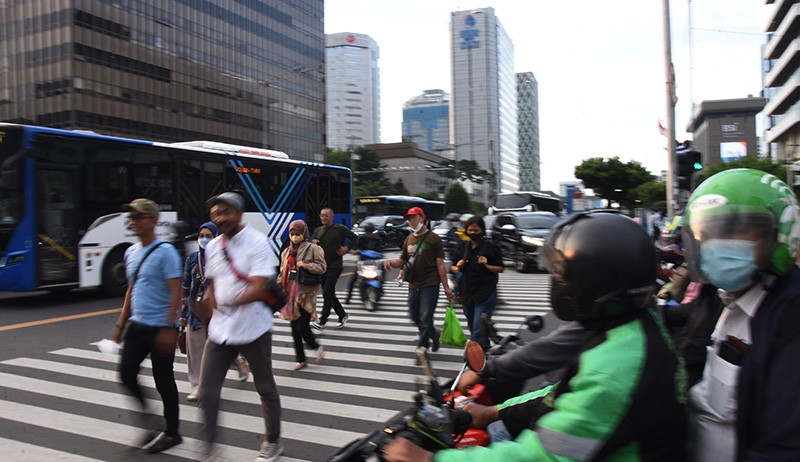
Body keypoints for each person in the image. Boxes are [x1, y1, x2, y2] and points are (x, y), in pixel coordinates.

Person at [385, 211, 687, 461]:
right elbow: (560, 394)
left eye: (562, 276)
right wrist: (493, 411)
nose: (556, 284)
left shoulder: (616, 366)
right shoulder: (630, 327)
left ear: (593, 284)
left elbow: (540, 457)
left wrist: (429, 459)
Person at [681, 168, 800, 461]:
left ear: (780, 234)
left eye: (733, 230)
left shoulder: (791, 317)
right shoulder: (718, 296)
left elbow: (784, 448)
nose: (715, 245)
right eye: (706, 234)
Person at [199, 192, 283, 462]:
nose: (220, 218)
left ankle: (272, 441)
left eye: (225, 212)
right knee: (207, 392)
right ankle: (209, 448)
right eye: (215, 214)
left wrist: (228, 299)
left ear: (239, 212)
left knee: (265, 388)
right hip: (220, 330)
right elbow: (212, 280)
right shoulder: (212, 246)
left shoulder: (258, 242)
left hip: (254, 328)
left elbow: (259, 287)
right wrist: (209, 298)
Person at [110, 198, 184, 453]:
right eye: (130, 217)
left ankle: (173, 433)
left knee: (163, 380)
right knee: (126, 375)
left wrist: (168, 327)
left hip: (161, 327)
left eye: (138, 217)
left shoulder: (166, 252)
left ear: (152, 221)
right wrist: (120, 324)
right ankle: (151, 423)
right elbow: (132, 288)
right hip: (137, 325)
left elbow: (176, 291)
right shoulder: (131, 252)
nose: (132, 222)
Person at [179, 222, 249, 402]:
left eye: (208, 236)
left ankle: (238, 361)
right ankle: (197, 385)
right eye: (201, 235)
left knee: (222, 343)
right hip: (195, 310)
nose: (203, 239)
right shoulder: (192, 259)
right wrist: (183, 313)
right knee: (195, 348)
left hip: (218, 310)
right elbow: (185, 287)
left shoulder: (223, 257)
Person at [384, 207, 453, 359]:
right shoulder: (409, 239)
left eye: (413, 217)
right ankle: (434, 335)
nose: (410, 221)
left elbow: (441, 265)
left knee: (426, 317)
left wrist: (446, 288)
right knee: (415, 316)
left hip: (430, 283)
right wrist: (392, 263)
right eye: (408, 218)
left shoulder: (434, 238)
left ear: (422, 218)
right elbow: (403, 260)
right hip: (413, 284)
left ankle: (422, 348)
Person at [450, 215, 504, 349]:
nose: (473, 233)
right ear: (466, 231)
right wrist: (457, 266)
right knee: (472, 324)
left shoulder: (492, 248)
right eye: (470, 230)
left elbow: (500, 268)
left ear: (483, 231)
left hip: (485, 292)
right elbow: (453, 267)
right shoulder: (462, 247)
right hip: (467, 292)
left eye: (476, 230)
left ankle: (472, 358)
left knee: (477, 329)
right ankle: (484, 349)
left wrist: (487, 265)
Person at [279, 219, 327, 371]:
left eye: (297, 234)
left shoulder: (313, 249)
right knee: (294, 329)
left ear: (304, 233)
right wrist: (278, 285)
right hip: (290, 294)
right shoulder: (286, 251)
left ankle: (316, 347)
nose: (294, 236)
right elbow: (282, 271)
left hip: (306, 293)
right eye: (292, 234)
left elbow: (322, 267)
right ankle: (301, 359)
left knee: (302, 327)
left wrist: (305, 265)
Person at [311, 207, 358, 330]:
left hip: (335, 266)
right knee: (329, 294)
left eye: (326, 215)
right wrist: (314, 244)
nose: (323, 218)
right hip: (322, 266)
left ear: (332, 217)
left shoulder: (340, 229)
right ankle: (342, 315)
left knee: (327, 293)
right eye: (321, 216)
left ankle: (322, 321)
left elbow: (355, 237)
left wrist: (346, 248)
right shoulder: (317, 231)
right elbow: (314, 248)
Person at [345, 221, 383, 304]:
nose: (369, 233)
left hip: (374, 262)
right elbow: (356, 247)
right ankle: (349, 296)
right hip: (363, 262)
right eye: (367, 231)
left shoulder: (377, 239)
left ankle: (382, 288)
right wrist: (355, 251)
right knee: (354, 279)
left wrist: (381, 255)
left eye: (370, 231)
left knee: (382, 272)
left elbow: (381, 250)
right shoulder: (361, 238)